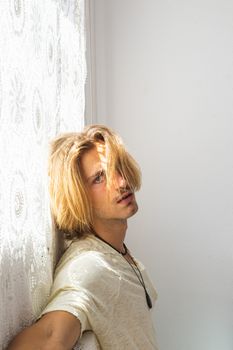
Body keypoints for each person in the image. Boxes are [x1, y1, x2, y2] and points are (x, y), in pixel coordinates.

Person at [7, 125, 158, 350]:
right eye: (99, 178)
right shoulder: (90, 266)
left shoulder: (115, 252)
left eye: (119, 168)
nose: (122, 183)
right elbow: (48, 338)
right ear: (78, 196)